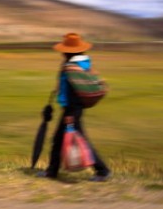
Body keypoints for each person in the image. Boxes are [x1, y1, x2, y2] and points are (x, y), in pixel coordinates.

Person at [37, 32, 111, 182]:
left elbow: (72, 93)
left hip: (72, 109)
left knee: (76, 140)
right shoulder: (83, 65)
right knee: (58, 140)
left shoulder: (71, 69)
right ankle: (52, 171)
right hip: (74, 109)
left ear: (67, 51)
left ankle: (102, 171)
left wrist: (70, 114)